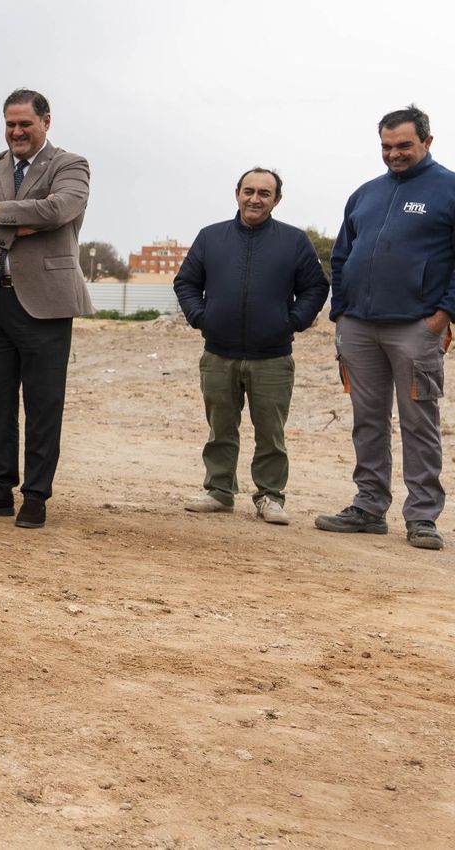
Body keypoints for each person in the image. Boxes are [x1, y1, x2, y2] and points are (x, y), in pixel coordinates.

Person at [0, 89, 92, 529]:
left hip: (47, 303)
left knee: (43, 402)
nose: (16, 132)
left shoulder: (70, 165)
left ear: (46, 122)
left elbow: (60, 208)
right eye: (10, 124)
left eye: (25, 124)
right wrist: (22, 222)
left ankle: (35, 494)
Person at [317, 105, 453, 552]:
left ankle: (422, 516)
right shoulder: (364, 194)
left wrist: (443, 314)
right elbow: (341, 255)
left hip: (417, 327)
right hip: (359, 327)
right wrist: (341, 310)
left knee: (419, 422)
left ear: (427, 142)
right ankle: (369, 506)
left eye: (404, 146)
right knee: (368, 420)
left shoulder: (448, 190)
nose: (394, 154)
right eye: (387, 146)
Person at [173, 168, 328, 525]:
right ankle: (219, 491)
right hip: (218, 353)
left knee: (270, 433)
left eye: (264, 193)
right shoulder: (211, 238)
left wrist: (292, 322)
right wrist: (201, 317)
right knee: (220, 428)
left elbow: (315, 288)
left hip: (272, 356)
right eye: (249, 191)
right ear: (237, 193)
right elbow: (186, 281)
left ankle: (270, 496)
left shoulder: (294, 241)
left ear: (277, 200)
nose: (255, 199)